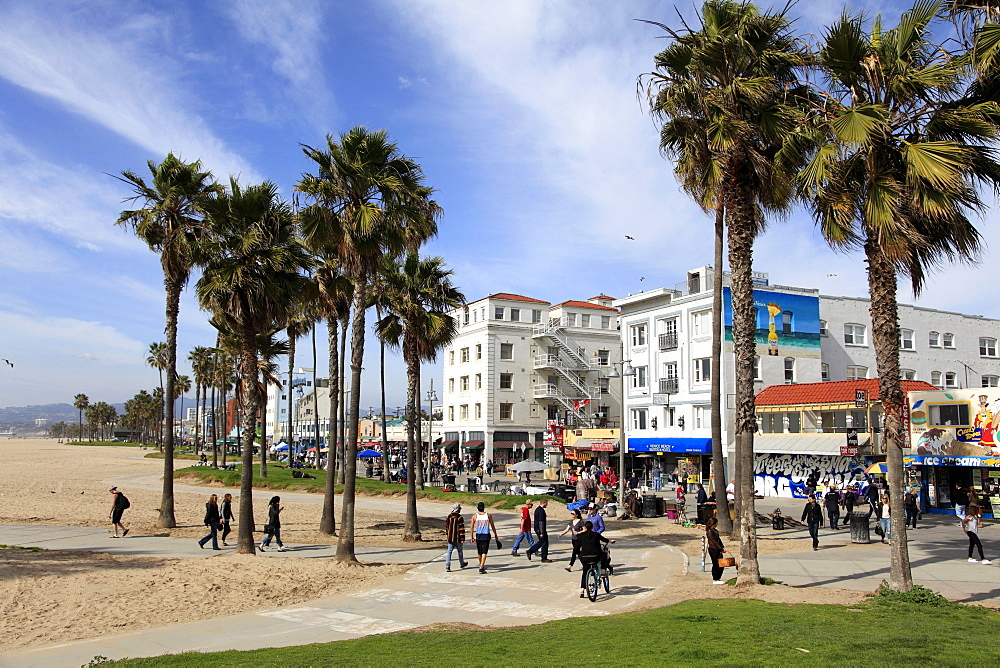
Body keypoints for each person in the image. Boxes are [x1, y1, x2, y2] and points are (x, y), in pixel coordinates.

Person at [575, 520, 613, 598]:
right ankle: (602, 570)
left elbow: (577, 547)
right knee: (604, 555)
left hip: (585, 557)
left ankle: (582, 589)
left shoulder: (581, 536)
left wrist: (579, 555)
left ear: (585, 527)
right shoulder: (596, 535)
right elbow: (604, 540)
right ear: (592, 527)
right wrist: (610, 541)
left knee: (585, 572)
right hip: (595, 556)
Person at [470, 501, 500, 574]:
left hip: (478, 535)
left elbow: (471, 527)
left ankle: (481, 565)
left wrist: (471, 537)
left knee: (479, 551)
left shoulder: (474, 516)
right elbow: (492, 525)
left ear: (477, 508)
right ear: (484, 508)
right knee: (484, 551)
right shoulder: (488, 516)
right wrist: (495, 534)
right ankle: (481, 566)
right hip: (486, 535)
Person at [444, 503, 469, 572]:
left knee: (449, 551)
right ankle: (461, 563)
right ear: (458, 509)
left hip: (450, 538)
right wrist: (462, 538)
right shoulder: (459, 518)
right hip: (457, 538)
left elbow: (446, 527)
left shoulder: (449, 516)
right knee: (460, 551)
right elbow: (461, 528)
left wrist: (448, 534)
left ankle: (447, 565)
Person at [705, 517, 728, 584]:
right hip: (713, 549)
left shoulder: (714, 530)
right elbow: (714, 541)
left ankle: (718, 578)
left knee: (721, 564)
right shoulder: (709, 531)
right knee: (715, 564)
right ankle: (715, 579)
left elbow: (718, 539)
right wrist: (720, 548)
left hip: (717, 548)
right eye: (716, 523)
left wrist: (722, 546)